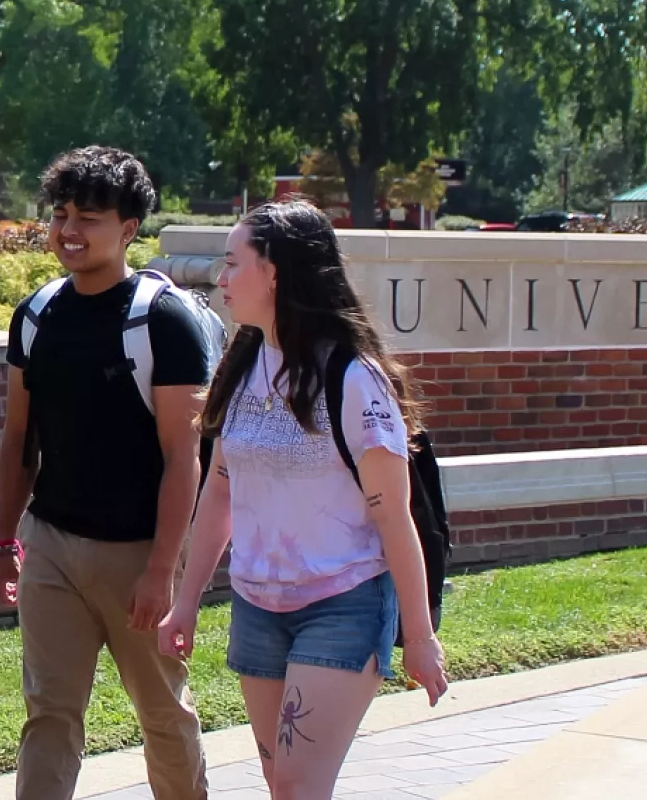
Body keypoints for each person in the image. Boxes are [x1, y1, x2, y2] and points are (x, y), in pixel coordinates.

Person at [156, 200, 450, 799]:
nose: (222, 277)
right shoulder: (241, 367)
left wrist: (419, 636)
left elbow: (393, 515)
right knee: (280, 784)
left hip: (342, 604)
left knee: (294, 786)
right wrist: (185, 602)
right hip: (257, 606)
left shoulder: (354, 379)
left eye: (234, 263)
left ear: (276, 273)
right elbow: (219, 490)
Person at [0, 147, 212, 800]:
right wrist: (6, 543)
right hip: (52, 546)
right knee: (50, 714)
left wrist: (160, 568)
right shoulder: (36, 316)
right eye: (60, 214)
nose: (69, 230)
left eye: (88, 216)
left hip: (139, 552)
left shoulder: (161, 321)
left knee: (162, 713)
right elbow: (16, 440)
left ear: (129, 229)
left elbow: (183, 456)